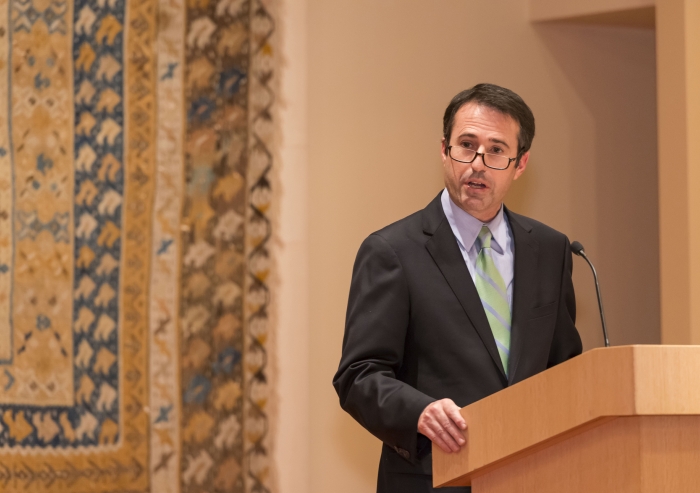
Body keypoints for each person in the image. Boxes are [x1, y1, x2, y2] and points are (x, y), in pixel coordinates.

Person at [333, 83, 583, 492]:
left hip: (532, 476)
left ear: (520, 164)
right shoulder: (393, 251)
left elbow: (564, 370)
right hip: (434, 477)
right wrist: (420, 411)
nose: (478, 164)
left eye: (497, 150)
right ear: (444, 150)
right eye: (466, 145)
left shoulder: (551, 249)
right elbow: (358, 375)